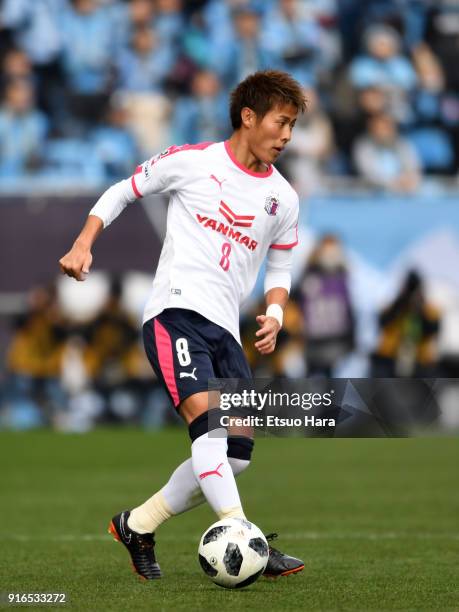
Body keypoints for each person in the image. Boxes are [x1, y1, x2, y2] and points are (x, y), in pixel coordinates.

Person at [59, 70, 305, 581]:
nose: (286, 136)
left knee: (236, 453)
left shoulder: (283, 198)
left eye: (293, 127)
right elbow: (121, 191)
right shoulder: (192, 162)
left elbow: (280, 264)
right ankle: (244, 535)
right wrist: (85, 242)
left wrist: (276, 313)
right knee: (209, 428)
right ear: (248, 116)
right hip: (175, 314)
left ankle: (138, 524)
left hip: (226, 329)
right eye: (281, 123)